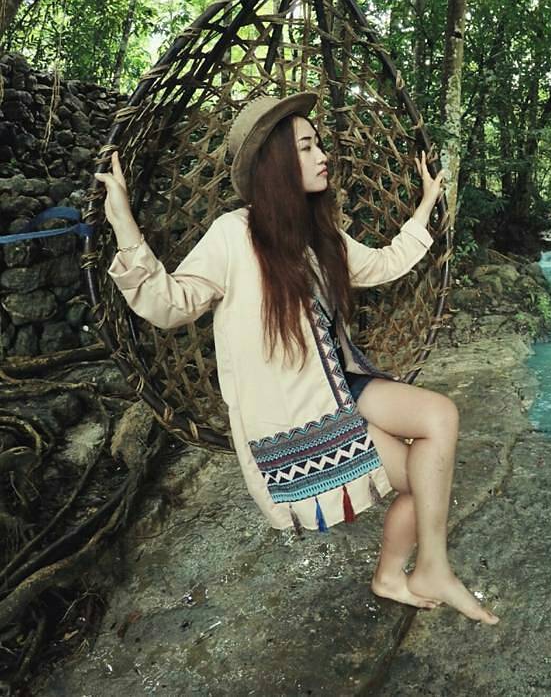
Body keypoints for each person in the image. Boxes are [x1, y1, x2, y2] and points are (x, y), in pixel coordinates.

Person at [94, 92, 498, 625]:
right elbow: (170, 303)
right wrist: (123, 221)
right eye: (307, 146)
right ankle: (413, 571)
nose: (322, 154)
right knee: (418, 481)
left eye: (318, 143)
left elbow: (382, 264)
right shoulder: (234, 235)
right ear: (278, 162)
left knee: (439, 417)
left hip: (344, 382)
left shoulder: (319, 232)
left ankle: (424, 569)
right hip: (302, 411)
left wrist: (426, 206)